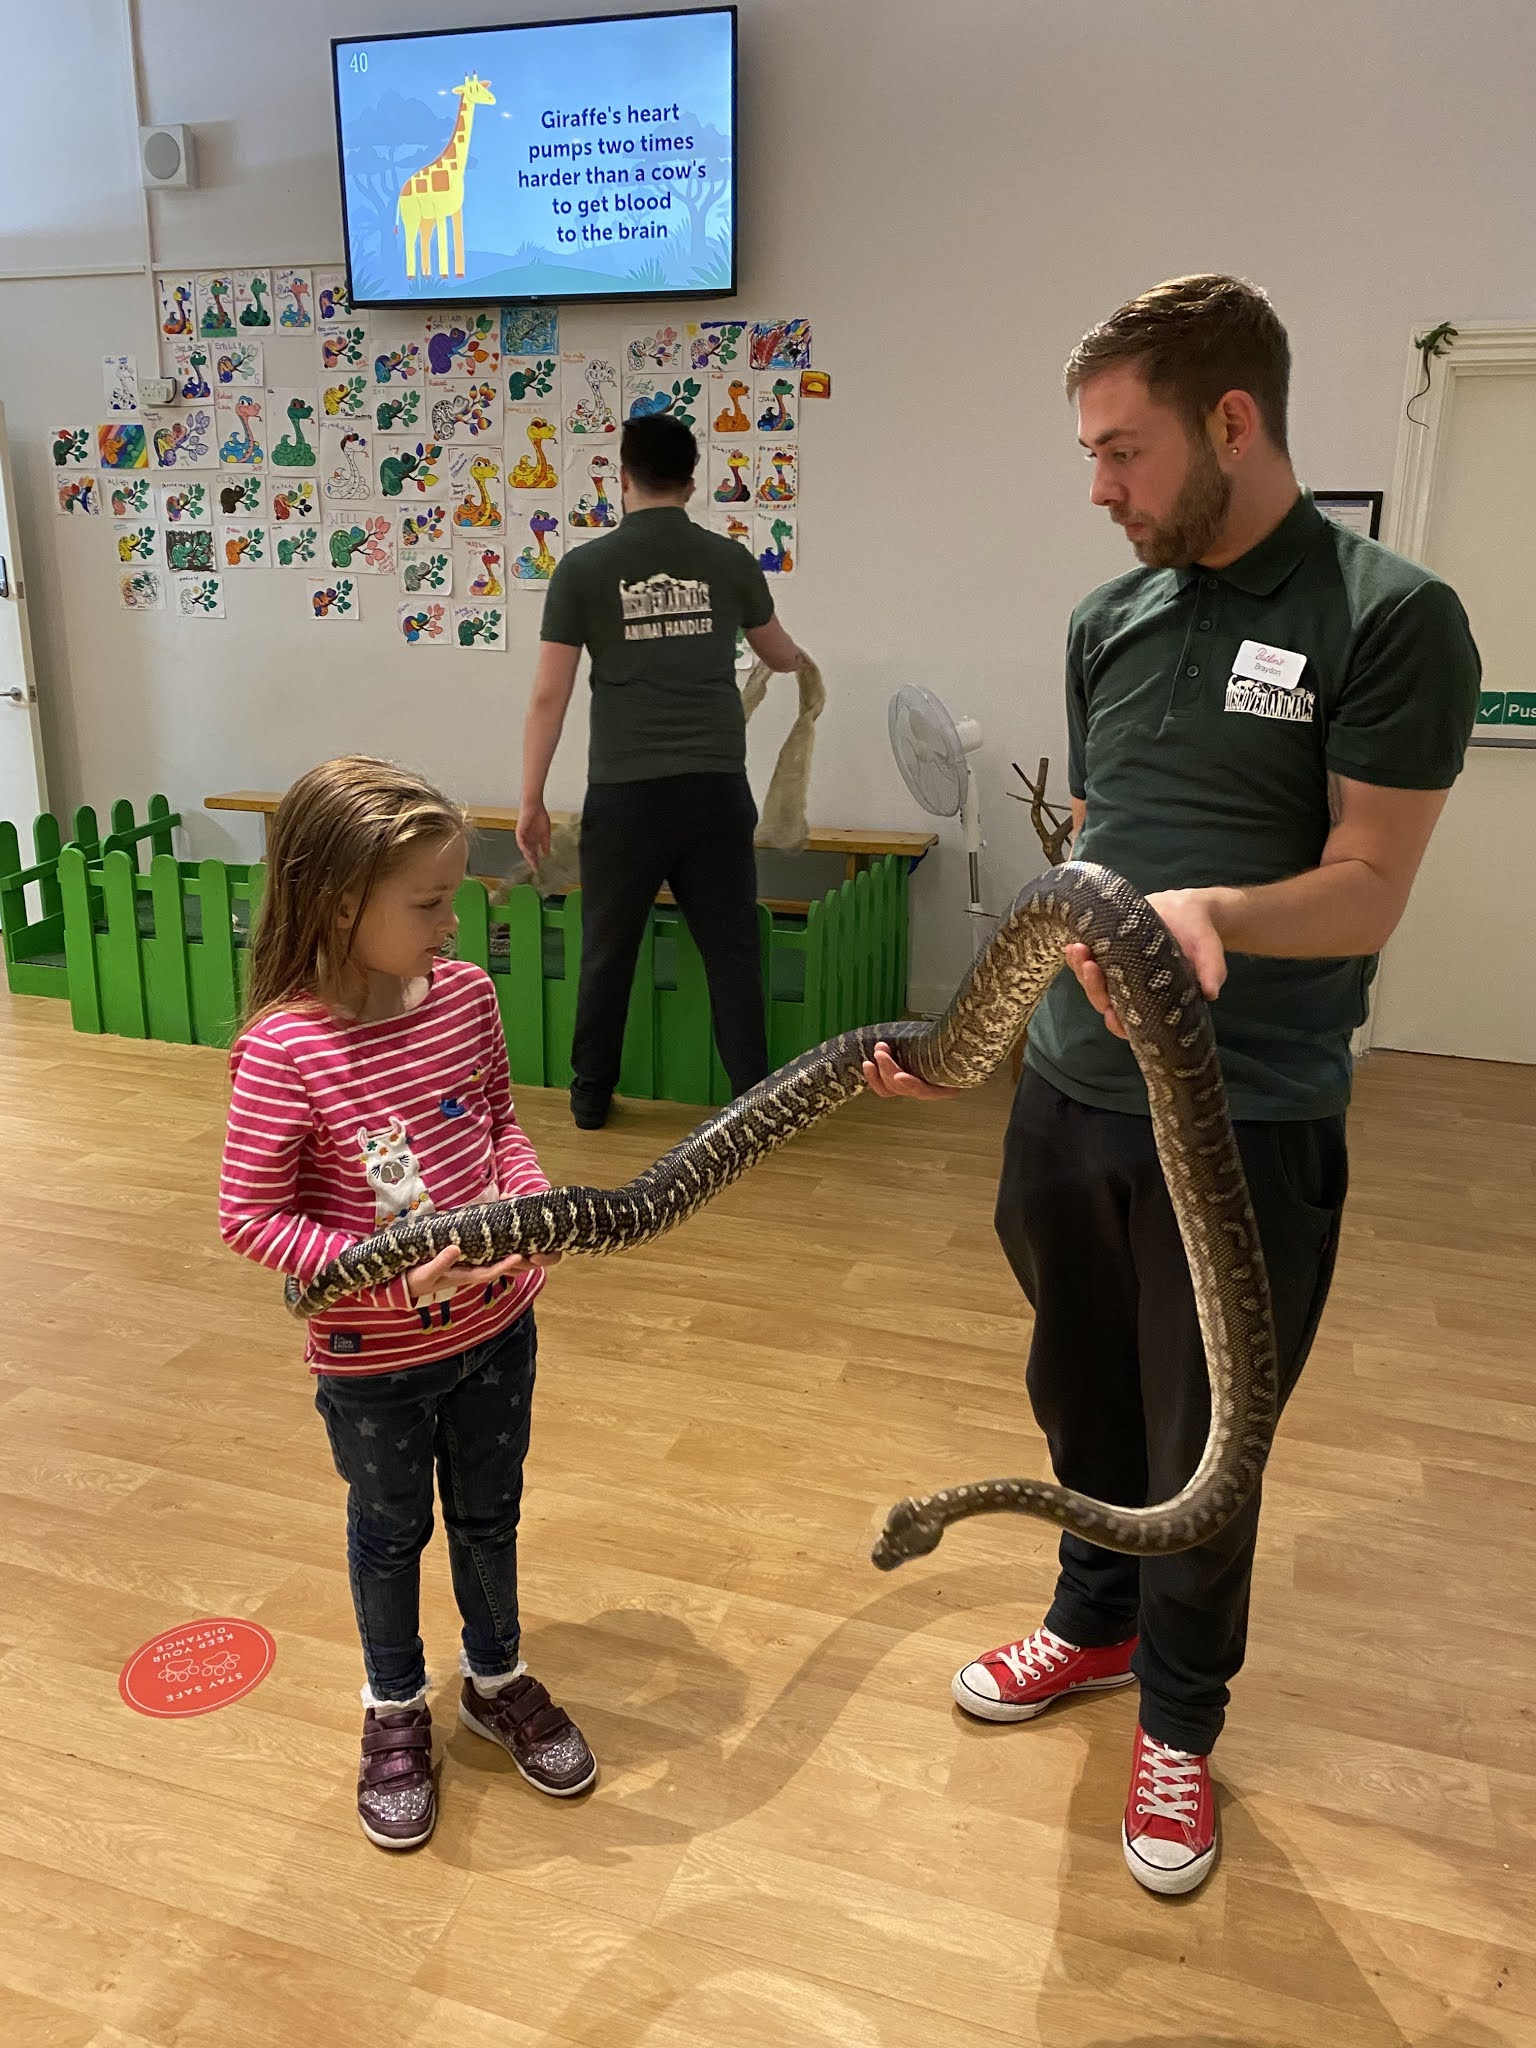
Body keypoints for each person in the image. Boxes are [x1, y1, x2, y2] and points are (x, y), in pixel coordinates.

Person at [865, 275, 1480, 1895]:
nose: (1098, 487)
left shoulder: (1391, 613)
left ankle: (1182, 1725)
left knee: (1207, 1439)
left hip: (1250, 1115)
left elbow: (1367, 882)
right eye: (1087, 452)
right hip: (1067, 1090)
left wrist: (1211, 919)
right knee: (1080, 1393)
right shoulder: (1108, 619)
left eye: (1122, 449)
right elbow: (1108, 841)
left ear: (1231, 420)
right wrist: (1012, 1006)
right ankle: (1091, 1621)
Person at [218, 756, 596, 1851]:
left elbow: (498, 1123)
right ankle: (395, 1704)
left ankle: (497, 1674)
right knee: (390, 1533)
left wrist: (528, 1209)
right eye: (428, 900)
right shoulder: (285, 1047)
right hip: (370, 1359)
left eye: (454, 893)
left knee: (491, 1513)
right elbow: (251, 1217)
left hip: (498, 1329)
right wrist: (388, 1269)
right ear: (341, 901)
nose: (453, 917)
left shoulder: (468, 994)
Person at [517, 412, 804, 1129]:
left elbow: (549, 695)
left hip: (625, 794)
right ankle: (753, 1102)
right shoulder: (731, 561)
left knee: (607, 947)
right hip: (714, 789)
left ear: (621, 476)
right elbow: (780, 656)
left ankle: (589, 1099)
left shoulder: (583, 569)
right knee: (731, 948)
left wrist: (531, 799)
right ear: (693, 477)